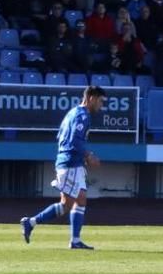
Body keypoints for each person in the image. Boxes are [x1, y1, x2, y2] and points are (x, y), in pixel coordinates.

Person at [20, 85, 106, 250]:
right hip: (71, 163)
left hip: (72, 162)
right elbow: (74, 140)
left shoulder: (72, 113)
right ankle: (30, 222)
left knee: (80, 200)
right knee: (67, 204)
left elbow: (61, 136)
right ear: (91, 98)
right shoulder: (82, 116)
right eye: (100, 101)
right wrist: (88, 155)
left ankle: (75, 240)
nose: (101, 105)